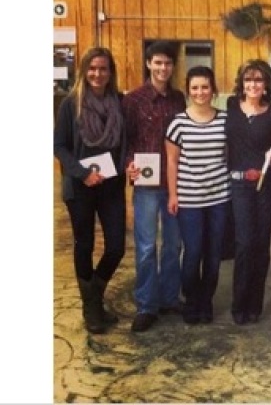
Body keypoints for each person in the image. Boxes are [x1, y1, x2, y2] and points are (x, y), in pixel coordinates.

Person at [54, 46, 127, 334]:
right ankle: (91, 307)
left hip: (111, 184)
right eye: (93, 68)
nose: (98, 74)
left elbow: (123, 141)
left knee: (117, 247)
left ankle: (94, 293)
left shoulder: (119, 102)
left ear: (111, 72)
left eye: (104, 69)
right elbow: (58, 145)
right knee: (84, 244)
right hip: (81, 185)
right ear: (84, 70)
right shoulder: (70, 104)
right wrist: (83, 173)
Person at [123, 41, 186, 333]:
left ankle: (170, 298)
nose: (163, 68)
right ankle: (147, 305)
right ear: (148, 63)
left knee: (173, 244)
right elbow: (125, 141)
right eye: (157, 62)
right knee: (147, 247)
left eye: (168, 63)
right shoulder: (133, 100)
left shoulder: (178, 99)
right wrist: (128, 165)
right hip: (147, 185)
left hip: (175, 183)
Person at [165, 67, 230, 324]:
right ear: (188, 90)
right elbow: (171, 161)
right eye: (195, 88)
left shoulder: (225, 120)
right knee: (193, 252)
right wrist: (173, 195)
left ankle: (206, 302)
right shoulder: (178, 122)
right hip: (189, 199)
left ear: (213, 89)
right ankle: (191, 301)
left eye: (205, 87)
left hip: (219, 198)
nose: (200, 92)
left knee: (214, 254)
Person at [226, 59, 271, 325]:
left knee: (261, 246)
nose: (253, 85)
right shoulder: (230, 108)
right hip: (238, 186)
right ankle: (239, 303)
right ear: (241, 83)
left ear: (267, 83)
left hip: (263, 186)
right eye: (248, 79)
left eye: (258, 80)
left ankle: (254, 305)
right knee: (244, 244)